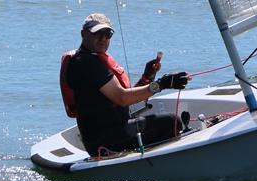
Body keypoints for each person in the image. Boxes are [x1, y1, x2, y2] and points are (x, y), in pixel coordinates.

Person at [65, 14, 190, 159]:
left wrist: (147, 77)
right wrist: (162, 84)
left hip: (111, 134)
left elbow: (125, 98)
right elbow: (122, 98)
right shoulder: (85, 63)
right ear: (83, 34)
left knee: (170, 122)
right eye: (97, 33)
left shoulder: (93, 60)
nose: (103, 38)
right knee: (173, 122)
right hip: (105, 140)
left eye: (107, 34)